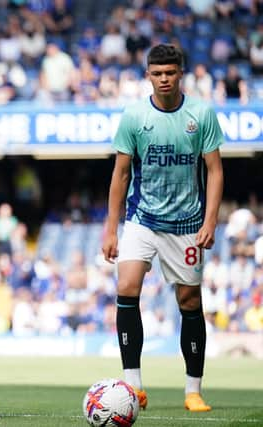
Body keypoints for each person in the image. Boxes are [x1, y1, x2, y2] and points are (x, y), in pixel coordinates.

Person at [102, 44, 224, 412]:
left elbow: (215, 171)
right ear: (148, 76)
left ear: (180, 73)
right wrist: (111, 228)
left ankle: (193, 390)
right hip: (142, 219)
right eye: (157, 74)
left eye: (170, 73)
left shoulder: (200, 114)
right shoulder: (135, 116)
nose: (164, 79)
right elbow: (121, 173)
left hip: (187, 222)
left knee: (189, 301)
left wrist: (211, 220)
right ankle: (133, 386)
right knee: (126, 286)